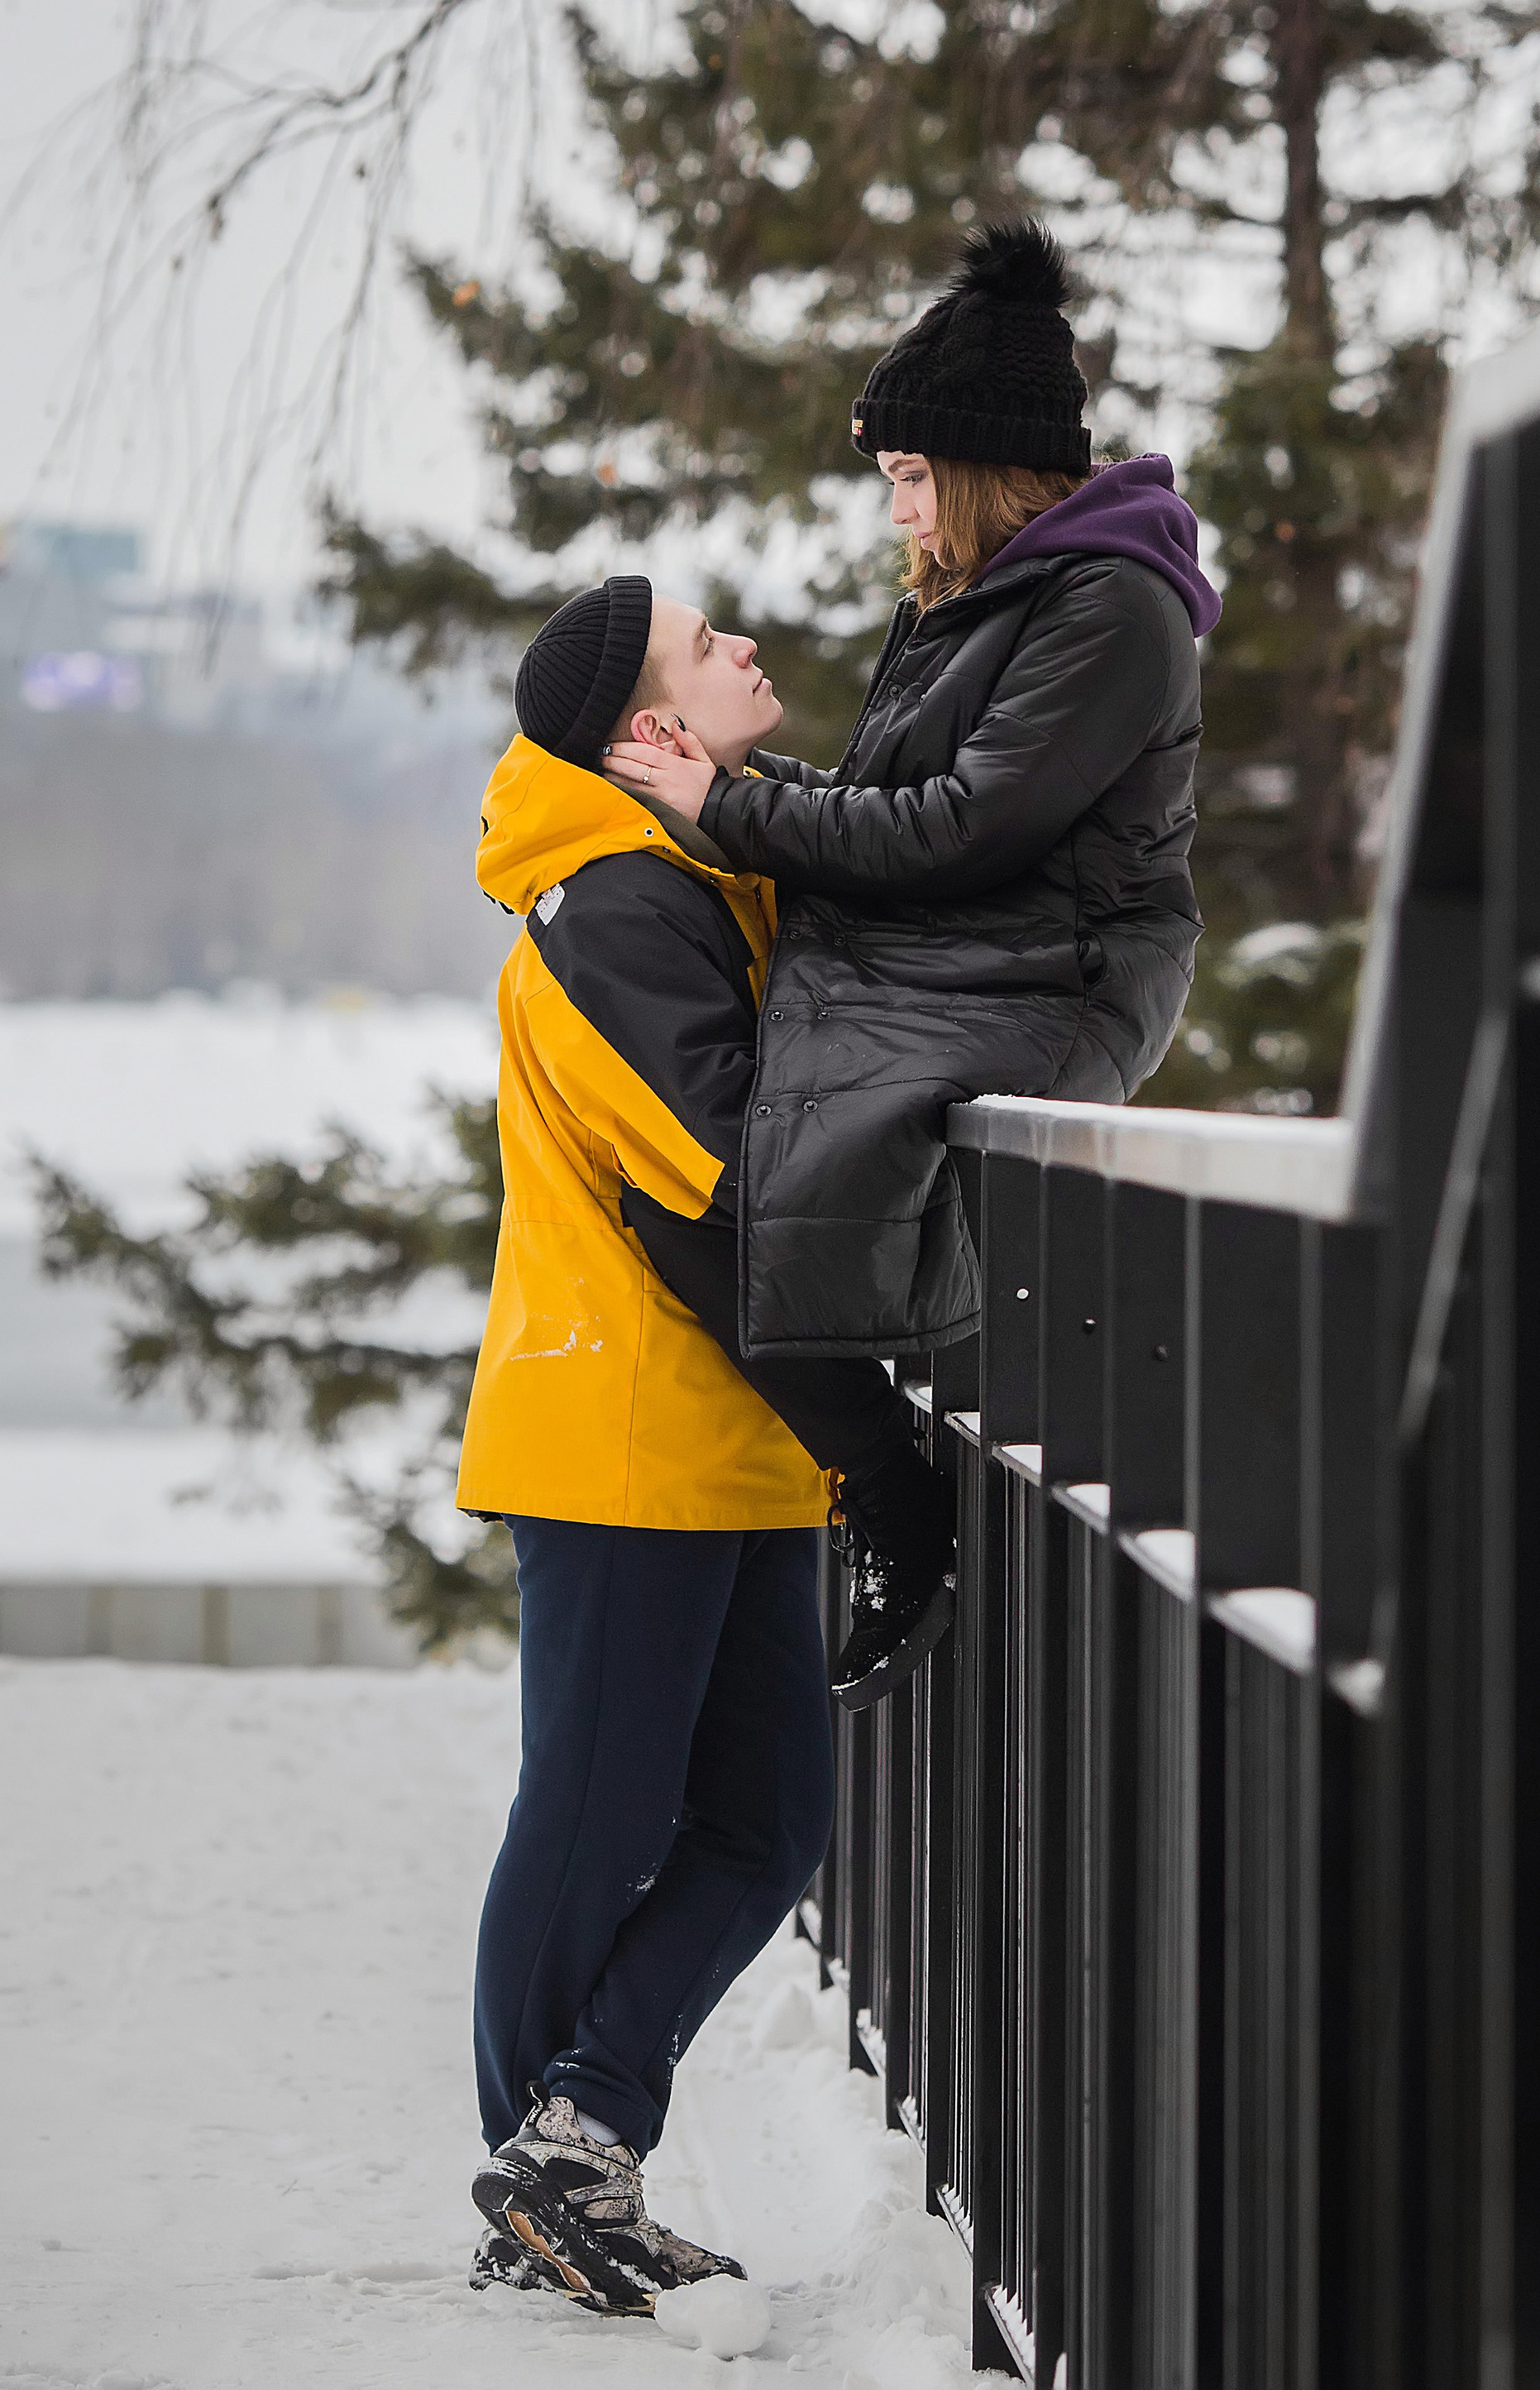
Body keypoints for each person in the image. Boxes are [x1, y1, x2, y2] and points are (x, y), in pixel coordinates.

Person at [456, 575, 944, 2321]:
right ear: (652, 734)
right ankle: (550, 2164)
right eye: (704, 647)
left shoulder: (701, 885)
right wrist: (875, 1441)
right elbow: (723, 1197)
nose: (746, 650)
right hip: (620, 1434)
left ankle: (565, 2146)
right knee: (593, 1824)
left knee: (765, 1827)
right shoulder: (618, 913)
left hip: (717, 1441)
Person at [601, 215, 1222, 1373]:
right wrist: (730, 779)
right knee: (745, 1134)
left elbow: (957, 831)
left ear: (982, 466)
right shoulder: (978, 599)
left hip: (1046, 978)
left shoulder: (1111, 611)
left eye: (913, 478)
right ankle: (873, 1439)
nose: (901, 514)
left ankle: (879, 1445)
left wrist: (727, 804)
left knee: (782, 1165)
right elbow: (884, 799)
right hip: (966, 957)